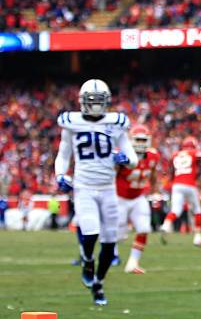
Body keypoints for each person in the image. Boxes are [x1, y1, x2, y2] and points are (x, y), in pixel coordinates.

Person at [54, 79, 138, 305]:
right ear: (82, 102)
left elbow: (133, 158)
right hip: (84, 187)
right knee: (90, 232)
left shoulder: (116, 123)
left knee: (110, 243)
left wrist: (126, 159)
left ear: (107, 101)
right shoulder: (71, 123)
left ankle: (99, 284)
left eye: (99, 101)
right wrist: (60, 174)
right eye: (91, 101)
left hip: (108, 188)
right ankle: (87, 259)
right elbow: (63, 154)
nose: (95, 105)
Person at [116, 124, 160, 274]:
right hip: (119, 198)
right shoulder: (123, 156)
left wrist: (155, 191)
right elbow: (112, 175)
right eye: (138, 140)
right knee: (119, 235)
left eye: (143, 140)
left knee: (144, 228)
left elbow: (153, 175)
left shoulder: (153, 156)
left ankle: (133, 263)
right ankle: (111, 255)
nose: (141, 143)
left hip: (138, 197)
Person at [160, 136, 201, 247]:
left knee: (176, 210)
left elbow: (172, 171)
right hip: (189, 184)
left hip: (177, 184)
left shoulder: (175, 154)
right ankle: (197, 237)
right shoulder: (194, 152)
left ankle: (166, 225)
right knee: (197, 210)